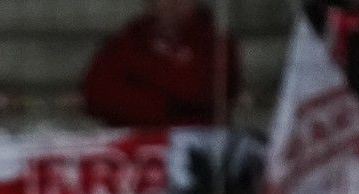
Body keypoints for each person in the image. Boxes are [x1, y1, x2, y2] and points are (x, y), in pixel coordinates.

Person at [80, 0, 243, 128]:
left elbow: (202, 89)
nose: (173, 3)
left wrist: (140, 77)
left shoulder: (216, 45)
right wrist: (171, 106)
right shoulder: (128, 41)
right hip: (137, 146)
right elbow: (98, 93)